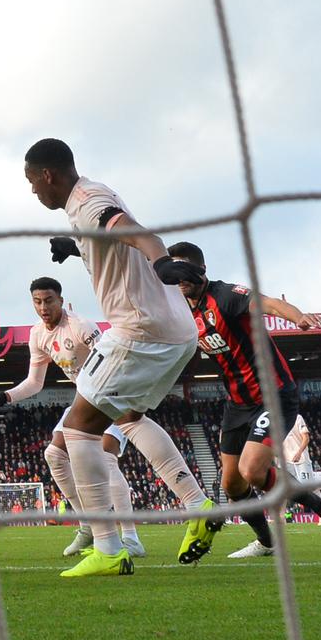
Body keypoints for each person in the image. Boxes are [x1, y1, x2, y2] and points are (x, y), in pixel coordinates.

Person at [24, 138, 220, 578]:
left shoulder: (90, 200)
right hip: (176, 333)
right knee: (131, 416)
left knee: (76, 431)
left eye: (32, 181)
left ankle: (110, 547)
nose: (33, 191)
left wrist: (162, 260)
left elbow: (130, 230)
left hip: (139, 332)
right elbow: (110, 241)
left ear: (48, 175)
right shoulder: (89, 200)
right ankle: (197, 503)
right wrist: (77, 248)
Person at [167, 241, 321, 558]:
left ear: (201, 270)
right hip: (238, 403)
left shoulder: (226, 295)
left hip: (274, 394)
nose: (177, 278)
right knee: (232, 485)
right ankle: (267, 542)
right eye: (173, 271)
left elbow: (269, 304)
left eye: (183, 270)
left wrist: (298, 316)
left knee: (253, 471)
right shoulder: (182, 309)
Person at [0, 277, 145, 557]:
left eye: (48, 300)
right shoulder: (38, 335)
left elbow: (112, 362)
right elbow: (35, 382)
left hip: (115, 393)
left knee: (106, 458)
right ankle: (88, 526)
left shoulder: (81, 326)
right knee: (54, 455)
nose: (43, 307)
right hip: (85, 400)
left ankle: (130, 537)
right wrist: (5, 397)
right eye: (37, 301)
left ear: (60, 300)